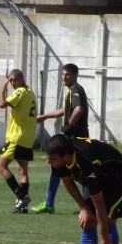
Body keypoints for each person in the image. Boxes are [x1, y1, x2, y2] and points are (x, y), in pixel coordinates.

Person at [45, 134, 122, 244]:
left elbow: (100, 206)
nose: (48, 162)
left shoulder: (86, 162)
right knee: (88, 221)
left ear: (66, 157)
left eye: (52, 159)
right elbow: (68, 182)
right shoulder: (59, 159)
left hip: (116, 177)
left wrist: (104, 238)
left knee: (108, 221)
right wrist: (84, 208)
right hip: (94, 177)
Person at [33, 63, 89, 214]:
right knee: (56, 165)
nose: (64, 77)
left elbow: (78, 109)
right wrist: (46, 116)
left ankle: (87, 205)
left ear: (75, 75)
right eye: (63, 74)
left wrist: (69, 124)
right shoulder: (71, 91)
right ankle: (50, 203)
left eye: (68, 74)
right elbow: (67, 109)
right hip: (72, 137)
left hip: (77, 137)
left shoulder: (76, 89)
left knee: (81, 170)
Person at [0, 69, 37, 213]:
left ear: (20, 79)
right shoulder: (30, 92)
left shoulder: (20, 92)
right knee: (22, 171)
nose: (12, 83)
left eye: (13, 80)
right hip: (28, 138)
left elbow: (2, 104)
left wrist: (3, 85)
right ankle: (23, 207)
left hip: (16, 137)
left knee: (1, 167)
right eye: (10, 80)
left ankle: (22, 197)